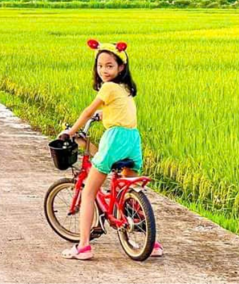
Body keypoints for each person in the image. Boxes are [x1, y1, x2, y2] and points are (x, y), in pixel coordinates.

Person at [59, 39, 163, 260]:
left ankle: (84, 246)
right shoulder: (125, 89)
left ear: (121, 67)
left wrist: (71, 132)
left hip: (115, 139)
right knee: (131, 193)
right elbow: (116, 111)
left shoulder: (108, 87)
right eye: (100, 66)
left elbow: (88, 111)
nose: (104, 70)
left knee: (88, 192)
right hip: (133, 141)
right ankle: (150, 242)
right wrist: (102, 116)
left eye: (109, 66)